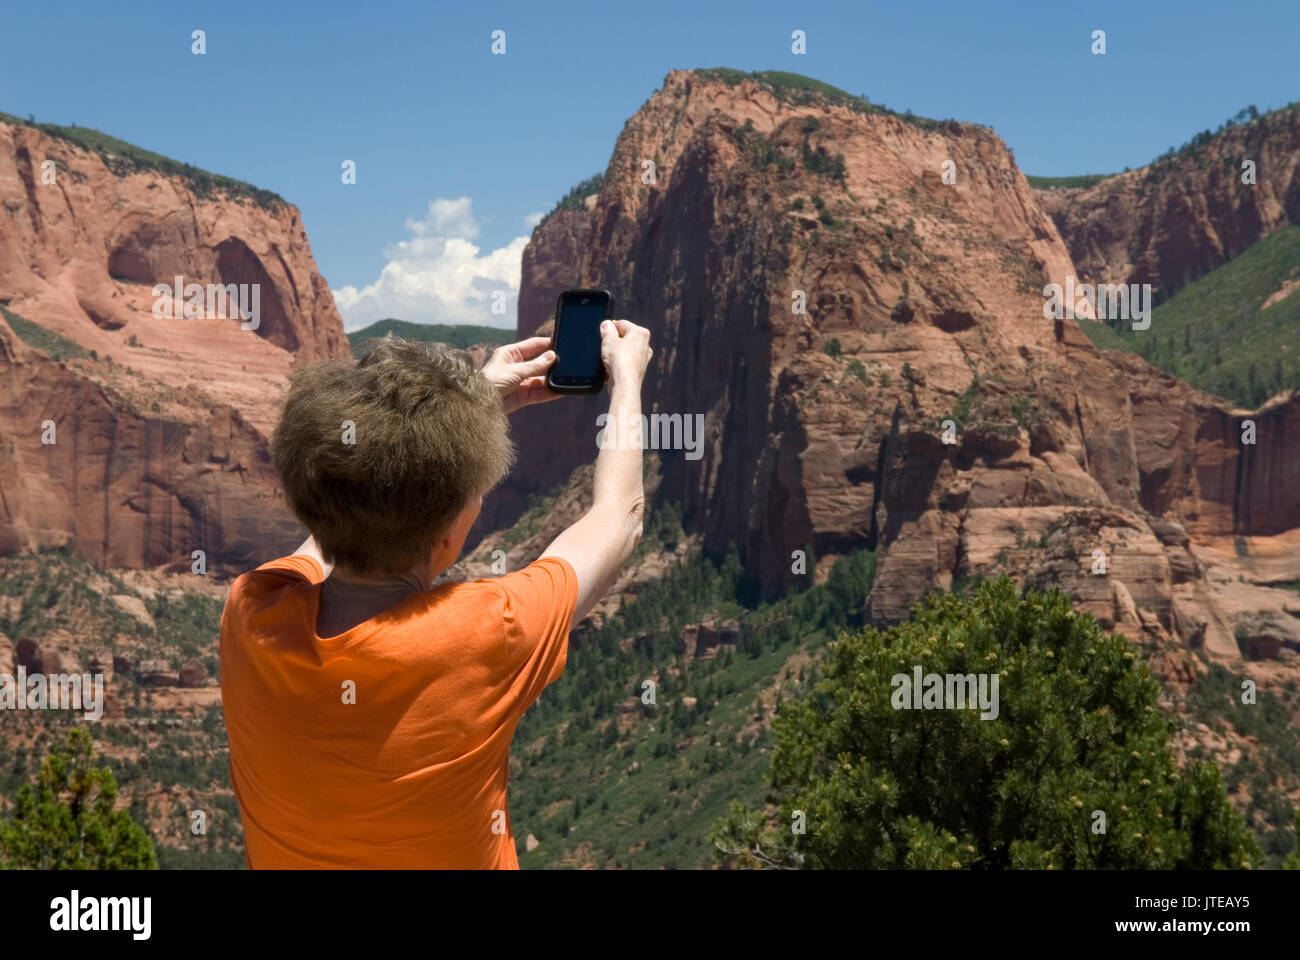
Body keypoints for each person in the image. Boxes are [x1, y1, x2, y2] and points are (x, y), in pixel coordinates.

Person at [219, 319, 652, 868]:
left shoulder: (252, 608)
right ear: (450, 535)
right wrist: (629, 379)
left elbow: (341, 498)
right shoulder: (487, 631)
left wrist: (464, 418)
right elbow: (621, 517)